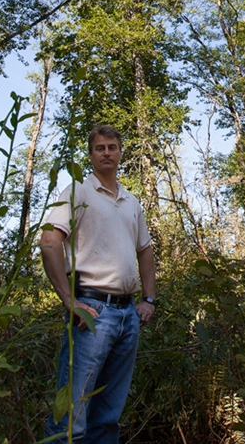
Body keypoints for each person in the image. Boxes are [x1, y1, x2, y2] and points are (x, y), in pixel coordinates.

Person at [40, 125, 157, 444]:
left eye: (112, 147)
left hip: (128, 315)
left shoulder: (131, 201)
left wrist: (148, 299)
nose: (106, 153)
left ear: (120, 153)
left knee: (107, 418)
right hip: (91, 313)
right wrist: (69, 300)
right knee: (71, 417)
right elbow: (49, 241)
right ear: (91, 155)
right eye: (100, 148)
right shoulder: (78, 191)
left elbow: (145, 250)